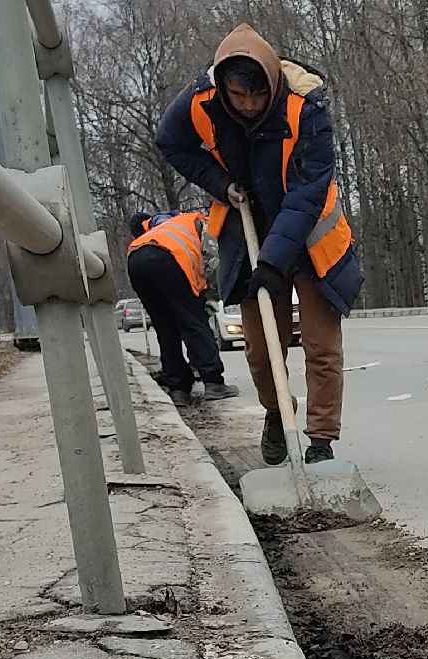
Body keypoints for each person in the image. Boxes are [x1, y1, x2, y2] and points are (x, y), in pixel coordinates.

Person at [155, 24, 362, 465]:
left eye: (257, 96)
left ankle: (321, 441)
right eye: (238, 96)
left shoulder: (307, 106)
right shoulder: (201, 99)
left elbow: (308, 192)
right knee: (261, 346)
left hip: (311, 233)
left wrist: (273, 262)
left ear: (272, 82)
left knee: (321, 346)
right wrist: (221, 182)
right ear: (224, 88)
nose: (248, 105)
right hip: (248, 228)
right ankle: (276, 410)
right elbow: (170, 143)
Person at [126, 209, 238, 406]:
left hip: (135, 260)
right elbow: (213, 262)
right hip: (170, 258)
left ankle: (178, 389)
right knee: (193, 322)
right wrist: (209, 298)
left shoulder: (152, 233)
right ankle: (213, 382)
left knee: (165, 328)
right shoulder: (194, 221)